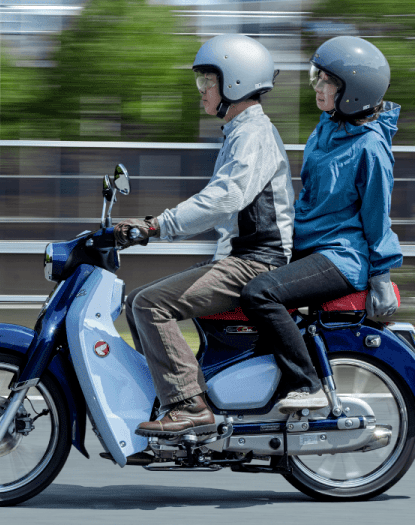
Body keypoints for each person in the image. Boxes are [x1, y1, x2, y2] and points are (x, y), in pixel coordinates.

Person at [114, 34, 295, 437]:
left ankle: (188, 406)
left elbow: (226, 196)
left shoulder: (253, 135)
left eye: (206, 82)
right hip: (238, 258)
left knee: (149, 305)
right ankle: (169, 396)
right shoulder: (240, 132)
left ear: (234, 83)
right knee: (136, 303)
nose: (201, 92)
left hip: (254, 263)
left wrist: (158, 225)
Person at [238, 35, 403, 414]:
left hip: (341, 257)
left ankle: (307, 384)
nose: (317, 86)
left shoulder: (371, 148)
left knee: (260, 294)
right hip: (308, 244)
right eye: (318, 77)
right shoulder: (326, 127)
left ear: (353, 92)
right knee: (236, 277)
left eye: (327, 81)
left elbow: (377, 217)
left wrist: (381, 276)